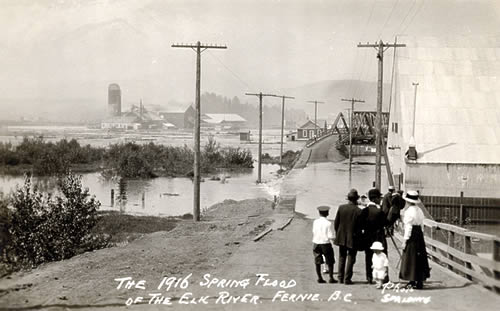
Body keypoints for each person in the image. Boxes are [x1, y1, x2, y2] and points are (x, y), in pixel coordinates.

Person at [399, 191, 430, 289]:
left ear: (408, 201)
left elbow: (408, 227)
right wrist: (421, 235)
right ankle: (420, 281)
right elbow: (422, 225)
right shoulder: (420, 210)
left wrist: (405, 240)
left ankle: (412, 280)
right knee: (420, 257)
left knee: (411, 257)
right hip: (419, 235)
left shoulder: (408, 212)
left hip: (412, 235)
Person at [334, 189, 363, 285]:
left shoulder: (341, 208)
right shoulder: (358, 211)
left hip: (341, 236)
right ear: (356, 199)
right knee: (351, 257)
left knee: (342, 257)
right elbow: (360, 226)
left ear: (348, 199)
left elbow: (336, 223)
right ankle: (347, 279)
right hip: (353, 237)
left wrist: (338, 233)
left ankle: (340, 278)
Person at [360, 188, 387, 284]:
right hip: (379, 237)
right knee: (381, 256)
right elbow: (385, 223)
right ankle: (382, 277)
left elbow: (361, 224)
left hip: (367, 236)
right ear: (375, 199)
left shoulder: (364, 211)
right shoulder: (379, 211)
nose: (380, 199)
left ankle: (369, 277)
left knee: (368, 257)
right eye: (379, 197)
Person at [312, 205, 337, 284]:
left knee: (318, 261)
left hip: (316, 242)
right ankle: (331, 277)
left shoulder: (315, 222)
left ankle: (319, 277)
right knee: (330, 261)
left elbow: (314, 231)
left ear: (319, 213)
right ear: (327, 213)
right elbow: (330, 236)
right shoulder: (328, 223)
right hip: (325, 243)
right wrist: (335, 239)